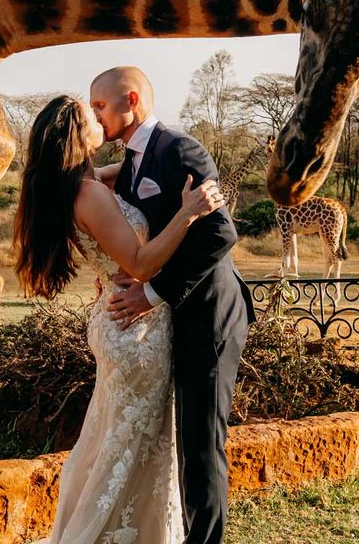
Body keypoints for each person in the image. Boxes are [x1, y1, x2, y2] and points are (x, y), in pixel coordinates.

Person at [15, 94, 225, 543]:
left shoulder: (76, 185)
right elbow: (142, 261)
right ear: (77, 134)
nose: (99, 118)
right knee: (131, 450)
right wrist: (188, 213)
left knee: (113, 444)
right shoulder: (89, 195)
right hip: (135, 327)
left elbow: (117, 180)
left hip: (117, 320)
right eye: (90, 115)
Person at [91, 66, 254, 544]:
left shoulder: (178, 148)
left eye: (100, 105)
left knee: (202, 445)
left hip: (210, 312)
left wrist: (150, 292)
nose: (95, 115)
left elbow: (222, 233)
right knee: (181, 441)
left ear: (131, 100)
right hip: (174, 319)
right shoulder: (134, 160)